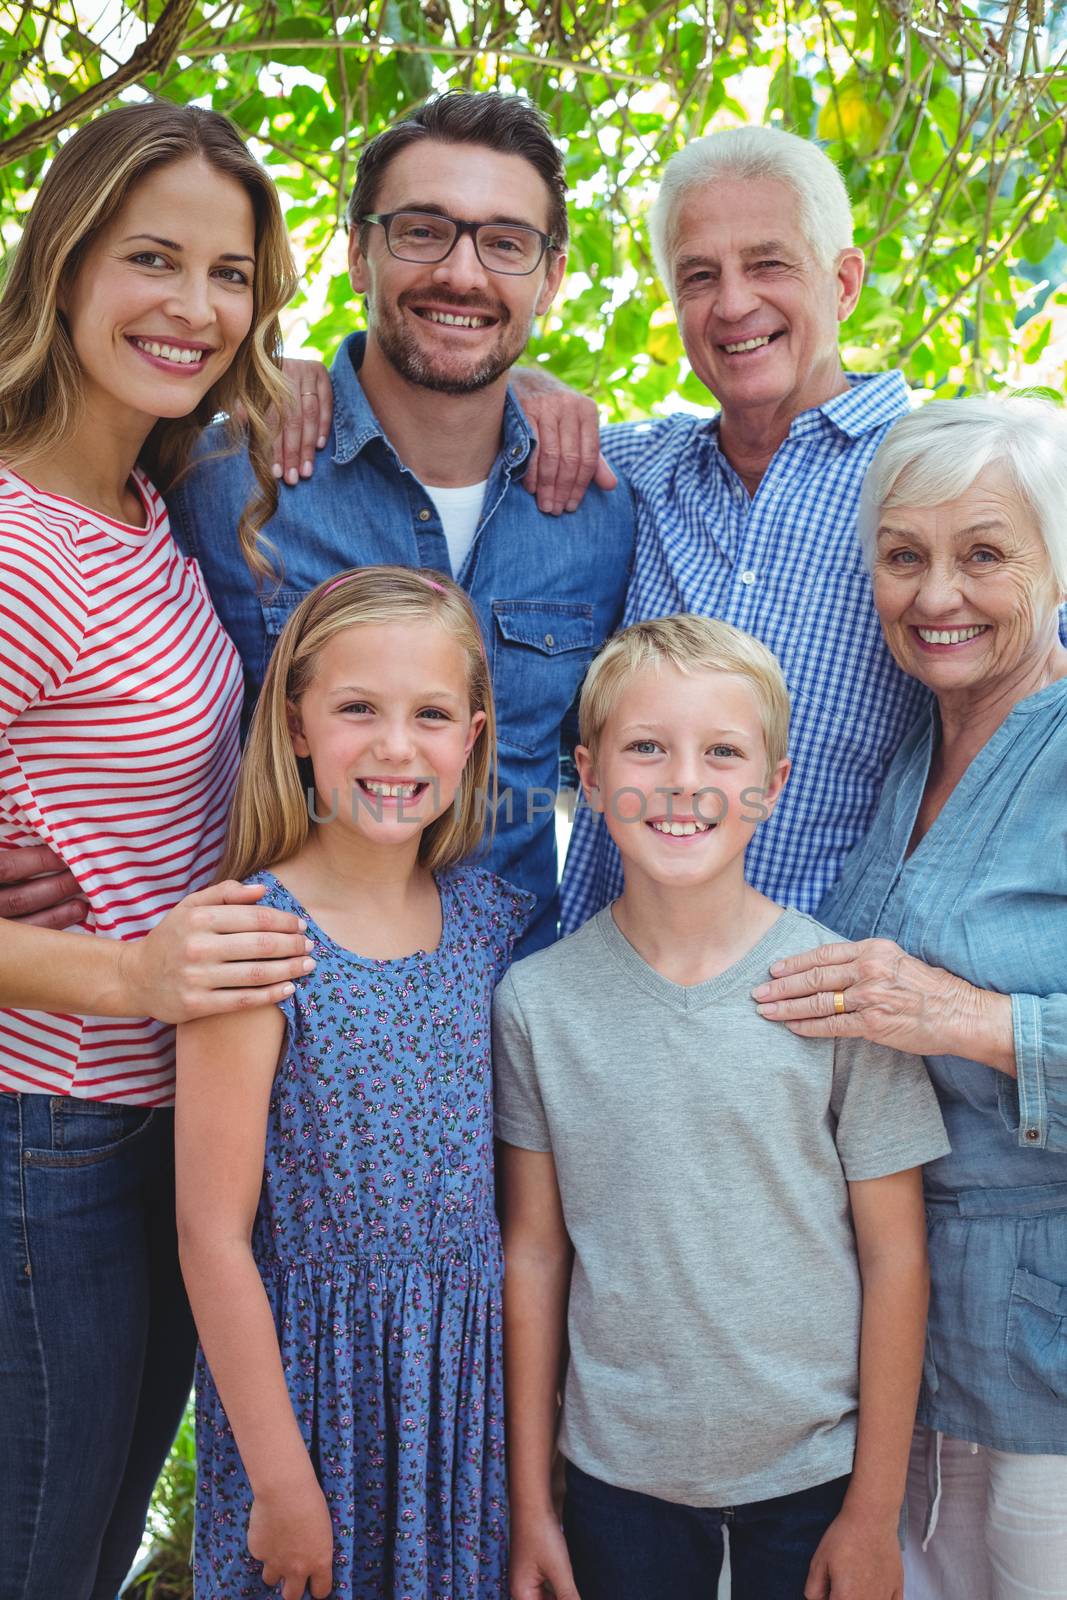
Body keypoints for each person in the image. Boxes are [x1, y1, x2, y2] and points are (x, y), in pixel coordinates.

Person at [0, 103, 317, 1599]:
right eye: (151, 259)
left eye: (231, 273)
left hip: (144, 1131)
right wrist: (123, 969)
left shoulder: (142, 504)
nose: (195, 308)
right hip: (38, 1137)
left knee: (89, 1551)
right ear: (63, 265)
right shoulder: (14, 534)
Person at [493, 614, 950, 1600]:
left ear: (772, 783)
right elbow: (533, 1252)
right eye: (645, 747)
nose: (680, 780)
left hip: (813, 1478)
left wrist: (871, 1513)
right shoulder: (536, 1001)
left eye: (721, 751)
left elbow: (894, 1254)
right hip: (617, 1478)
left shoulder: (837, 990)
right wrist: (532, 1504)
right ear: (587, 768)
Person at [165, 90, 634, 956]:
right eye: (422, 230)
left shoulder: (601, 512)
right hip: (279, 1037)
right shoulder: (227, 477)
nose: (461, 273)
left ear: (552, 278)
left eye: (505, 243)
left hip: (509, 1044)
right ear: (358, 253)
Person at [751, 396, 1067, 1600]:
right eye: (903, 557)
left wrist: (960, 1017)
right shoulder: (904, 757)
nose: (936, 594)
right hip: (904, 1355)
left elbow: (931, 1009)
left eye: (983, 554)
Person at [176, 566, 530, 1600]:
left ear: (469, 739)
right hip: (306, 1401)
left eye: (428, 715)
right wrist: (280, 1480)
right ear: (295, 726)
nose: (393, 746)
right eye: (356, 709)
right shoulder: (255, 942)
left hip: (457, 1406)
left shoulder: (487, 925)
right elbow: (210, 1234)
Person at [508, 125, 934, 928]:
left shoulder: (942, 479)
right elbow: (457, 413)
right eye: (699, 276)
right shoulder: (631, 473)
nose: (733, 303)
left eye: (767, 264)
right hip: (594, 1004)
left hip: (814, 1019)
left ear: (843, 284)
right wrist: (301, 381)